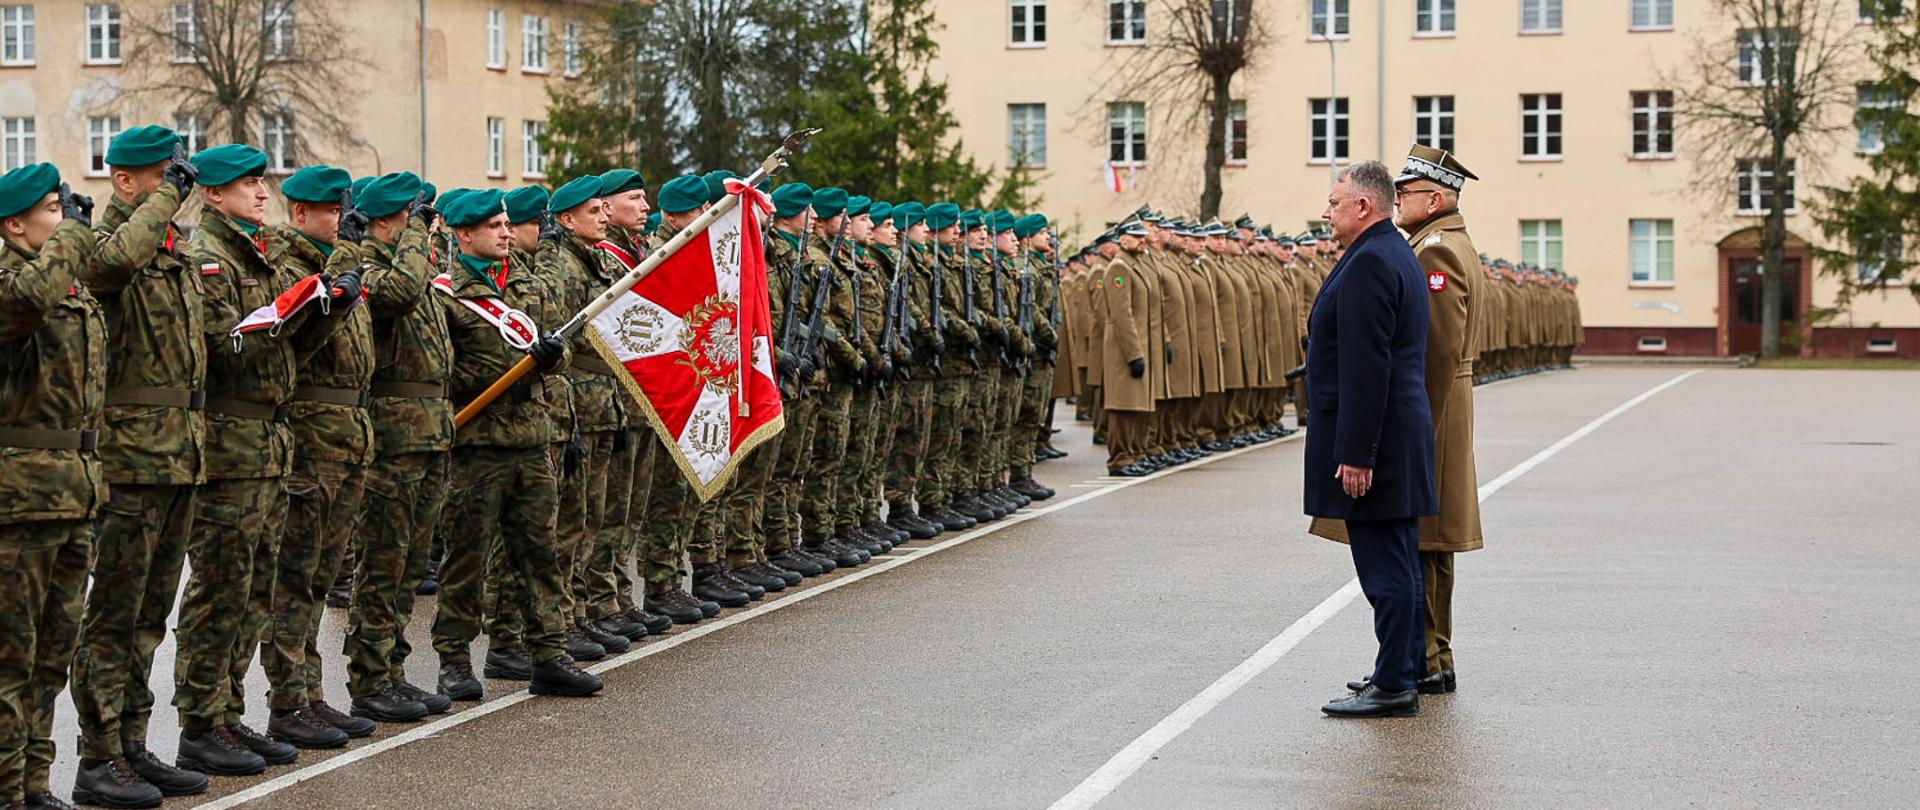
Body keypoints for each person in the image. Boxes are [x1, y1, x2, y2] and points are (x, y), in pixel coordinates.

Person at [70, 126, 213, 807]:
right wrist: (168, 201)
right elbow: (112, 265)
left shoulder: (173, 251)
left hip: (179, 456)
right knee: (114, 617)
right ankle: (96, 758)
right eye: (163, 176)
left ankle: (131, 743)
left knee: (151, 614)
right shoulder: (104, 244)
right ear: (124, 181)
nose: (174, 189)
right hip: (129, 461)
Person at [1302, 161, 1437, 719]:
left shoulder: (1371, 262)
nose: (1327, 211)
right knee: (1398, 562)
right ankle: (1398, 670)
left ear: (1364, 206)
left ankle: (1395, 683)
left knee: (1385, 569)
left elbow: (1366, 366)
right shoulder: (1389, 252)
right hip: (1396, 436)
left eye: (1334, 202)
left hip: (1377, 443)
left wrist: (1357, 454)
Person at [0, 163, 104, 810]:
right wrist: (75, 234)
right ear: (13, 225)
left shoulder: (69, 287)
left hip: (75, 492)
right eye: (50, 208)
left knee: (50, 658)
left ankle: (35, 785)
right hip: (19, 499)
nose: (63, 218)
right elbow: (29, 303)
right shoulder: (11, 283)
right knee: (9, 659)